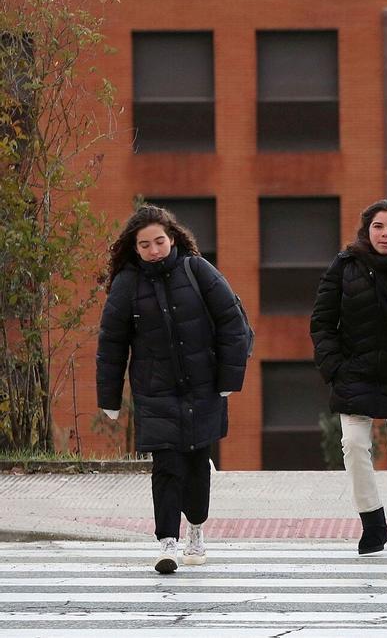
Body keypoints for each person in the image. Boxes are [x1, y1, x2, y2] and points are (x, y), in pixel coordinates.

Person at [96, 205, 251, 573]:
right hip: (155, 390)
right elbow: (112, 344)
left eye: (159, 241)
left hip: (202, 386)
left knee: (197, 462)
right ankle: (167, 541)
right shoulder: (126, 285)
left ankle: (195, 530)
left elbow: (233, 321)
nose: (154, 250)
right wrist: (109, 398)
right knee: (166, 464)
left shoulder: (196, 270)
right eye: (145, 244)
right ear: (134, 248)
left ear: (173, 238)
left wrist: (229, 380)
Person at [310, 200, 387, 556]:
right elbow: (323, 321)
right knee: (354, 445)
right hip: (355, 373)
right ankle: (372, 525)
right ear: (367, 230)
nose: (385, 233)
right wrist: (334, 367)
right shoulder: (345, 265)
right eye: (378, 226)